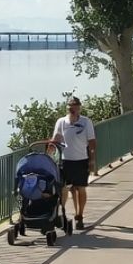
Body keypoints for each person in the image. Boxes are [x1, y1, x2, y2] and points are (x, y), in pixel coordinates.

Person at [50, 96, 97, 229]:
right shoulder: (61, 122)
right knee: (66, 188)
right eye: (70, 106)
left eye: (75, 105)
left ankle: (80, 215)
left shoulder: (86, 122)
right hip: (65, 161)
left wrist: (92, 160)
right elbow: (56, 138)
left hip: (81, 160)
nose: (72, 108)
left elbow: (92, 142)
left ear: (79, 107)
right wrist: (50, 152)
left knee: (80, 188)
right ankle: (62, 213)